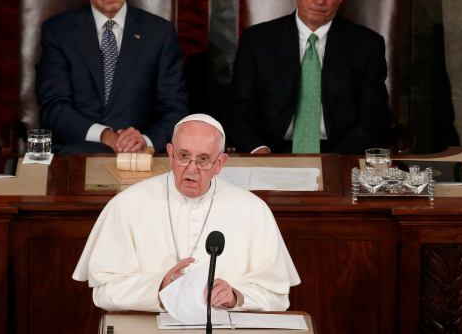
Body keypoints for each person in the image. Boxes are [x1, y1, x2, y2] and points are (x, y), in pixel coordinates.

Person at [72, 113, 300, 311]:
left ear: (220, 163)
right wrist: (160, 286)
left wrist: (235, 297)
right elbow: (104, 292)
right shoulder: (128, 204)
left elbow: (278, 296)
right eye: (183, 157)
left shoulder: (253, 210)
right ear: (170, 154)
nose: (191, 169)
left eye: (203, 160)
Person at [225, 0, 394, 155]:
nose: (320, 0)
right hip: (272, 152)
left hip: (339, 153)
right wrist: (258, 149)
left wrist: (337, 159)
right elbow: (238, 111)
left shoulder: (367, 45)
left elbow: (375, 118)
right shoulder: (257, 41)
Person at [36, 0, 188, 154]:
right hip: (78, 154)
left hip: (141, 158)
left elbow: (175, 111)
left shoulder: (159, 33)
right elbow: (54, 108)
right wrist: (104, 135)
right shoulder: (58, 32)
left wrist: (145, 140)